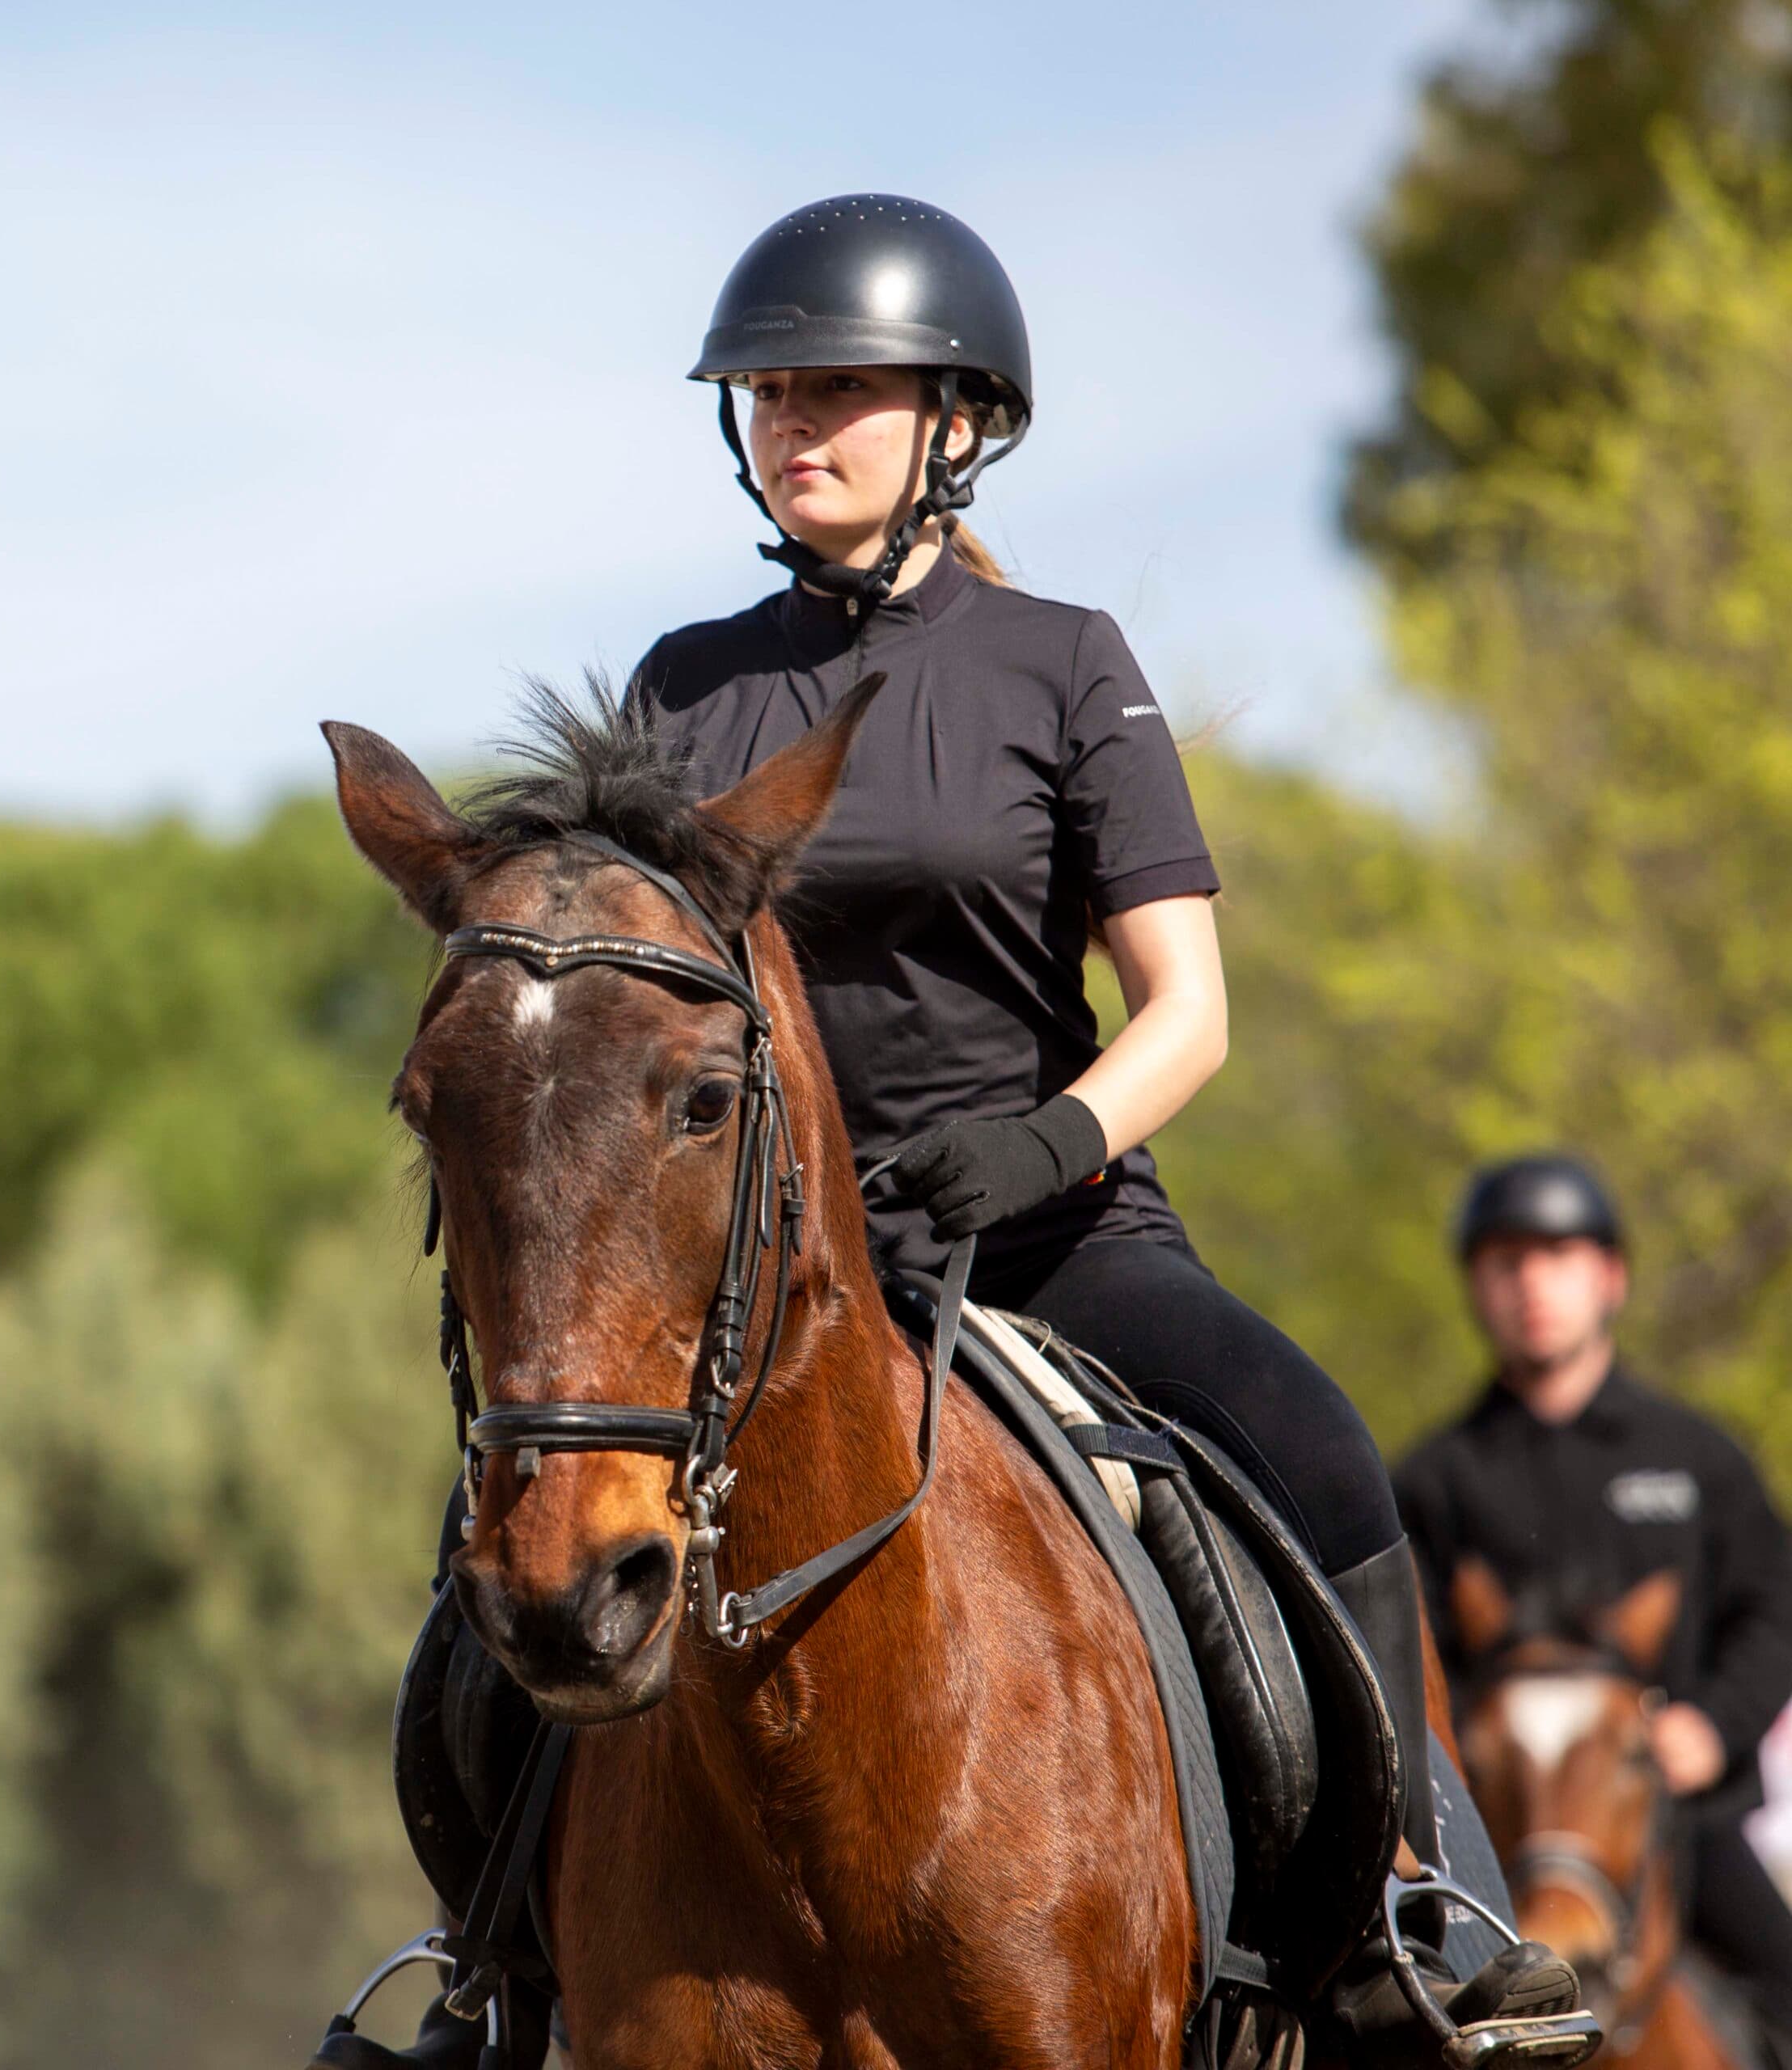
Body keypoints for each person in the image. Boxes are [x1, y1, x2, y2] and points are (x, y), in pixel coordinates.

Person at [622, 192, 1585, 2064]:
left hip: (1051, 1231)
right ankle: (486, 1953)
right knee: (518, 1513)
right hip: (762, 1265)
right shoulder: (681, 688)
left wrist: (1041, 1144)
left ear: (953, 420)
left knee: (1317, 1449)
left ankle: (1413, 1898)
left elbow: (1190, 1008)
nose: (792, 420)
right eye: (764, 390)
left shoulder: (1059, 658)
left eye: (840, 386)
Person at [1398, 1154, 1792, 2043]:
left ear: (1608, 1275)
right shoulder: (1434, 1481)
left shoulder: (1697, 1458)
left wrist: (1710, 1724)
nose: (1531, 1283)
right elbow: (1407, 1655)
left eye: (1558, 1255)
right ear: (1475, 1284)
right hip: (1498, 1846)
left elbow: (1775, 1606)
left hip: (1683, 1826)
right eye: (1505, 1261)